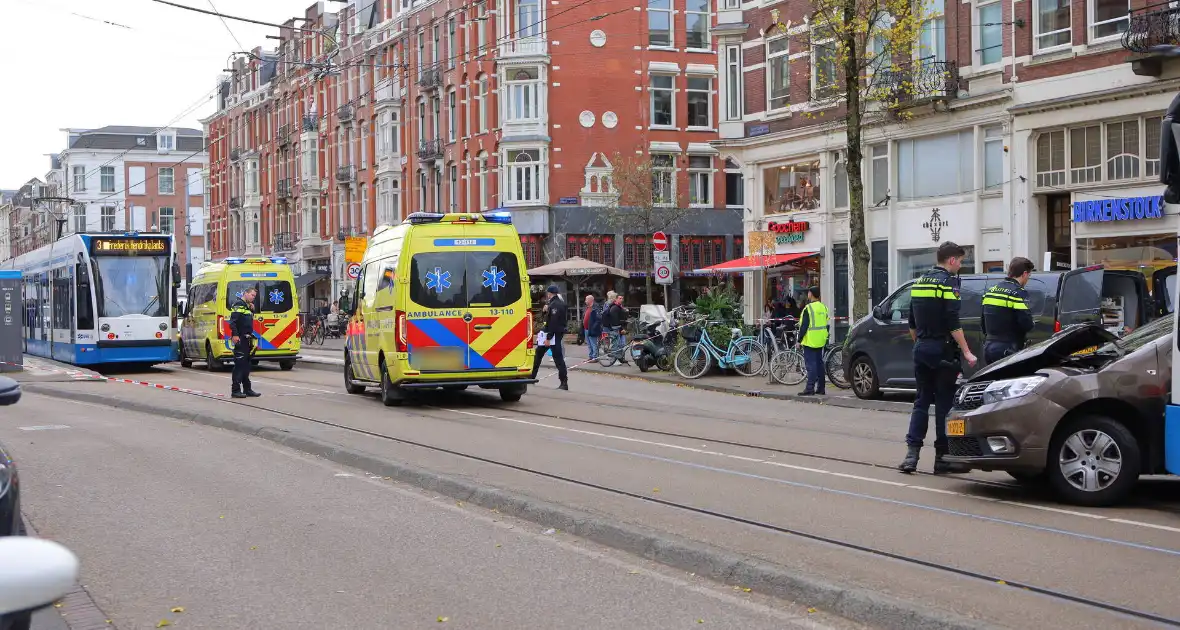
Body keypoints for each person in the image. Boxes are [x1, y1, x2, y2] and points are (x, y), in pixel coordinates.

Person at [899, 241, 977, 474]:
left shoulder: (919, 282)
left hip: (922, 349)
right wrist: (966, 351)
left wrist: (921, 344)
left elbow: (911, 322)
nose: (960, 267)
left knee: (921, 402)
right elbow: (953, 322)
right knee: (944, 404)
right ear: (952, 260)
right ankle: (943, 458)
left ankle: (911, 456)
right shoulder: (949, 282)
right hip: (943, 351)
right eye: (960, 262)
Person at [981, 257, 1035, 365]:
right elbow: (1026, 324)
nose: (1027, 279)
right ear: (1024, 273)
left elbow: (983, 322)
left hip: (988, 348)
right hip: (1007, 349)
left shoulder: (991, 291)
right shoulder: (1017, 293)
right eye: (1029, 276)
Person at [531, 285, 569, 390]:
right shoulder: (553, 303)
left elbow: (554, 322)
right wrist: (544, 311)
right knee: (539, 354)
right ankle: (531, 377)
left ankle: (564, 382)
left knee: (557, 358)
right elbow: (548, 319)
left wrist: (549, 337)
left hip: (553, 334)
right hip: (551, 334)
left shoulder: (555, 305)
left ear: (549, 293)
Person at [229, 286, 261, 399]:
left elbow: (247, 321)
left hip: (247, 339)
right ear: (246, 293)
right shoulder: (239, 304)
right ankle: (235, 390)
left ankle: (247, 389)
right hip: (240, 339)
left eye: (254, 296)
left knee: (246, 365)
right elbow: (233, 322)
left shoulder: (247, 306)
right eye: (252, 295)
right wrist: (235, 335)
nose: (253, 298)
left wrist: (252, 309)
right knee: (239, 365)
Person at [797, 286, 829, 396]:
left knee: (811, 365)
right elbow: (826, 323)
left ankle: (810, 388)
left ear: (811, 294)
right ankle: (821, 388)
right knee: (819, 364)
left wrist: (799, 340)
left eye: (809, 293)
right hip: (821, 340)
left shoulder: (808, 309)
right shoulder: (824, 307)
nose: (808, 295)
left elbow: (804, 326)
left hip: (810, 340)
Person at [583, 294, 602, 361]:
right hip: (586, 329)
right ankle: (591, 356)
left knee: (593, 343)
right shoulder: (587, 307)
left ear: (591, 300)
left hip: (592, 329)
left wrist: (594, 327)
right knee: (589, 344)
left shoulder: (595, 307)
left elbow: (598, 319)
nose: (585, 301)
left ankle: (595, 357)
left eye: (586, 299)